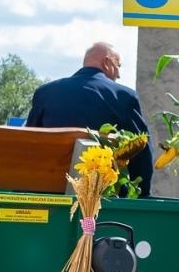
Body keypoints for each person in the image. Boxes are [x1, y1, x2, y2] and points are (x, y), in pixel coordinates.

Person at [27, 41, 153, 195]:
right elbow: (141, 148)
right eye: (118, 66)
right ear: (106, 62)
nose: (119, 74)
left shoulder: (45, 93)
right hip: (103, 196)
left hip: (48, 193)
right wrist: (142, 193)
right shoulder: (123, 96)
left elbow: (29, 141)